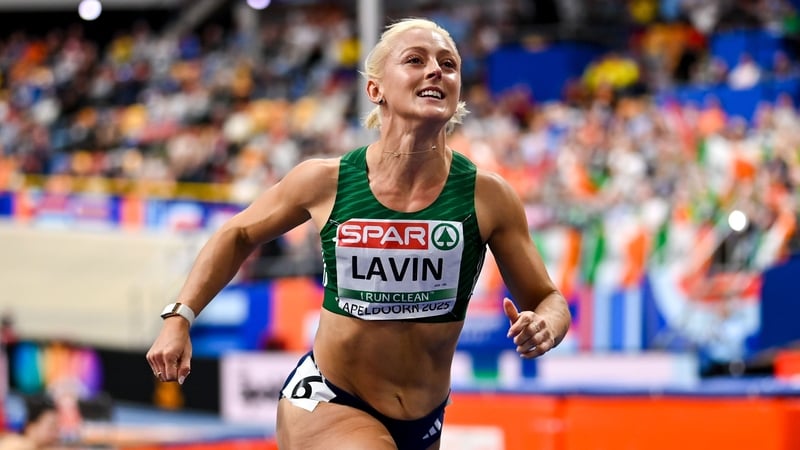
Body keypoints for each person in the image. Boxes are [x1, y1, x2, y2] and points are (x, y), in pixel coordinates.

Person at [146, 17, 571, 450]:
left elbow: (548, 299)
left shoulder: (488, 196)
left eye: (448, 64)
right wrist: (180, 315)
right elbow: (237, 233)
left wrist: (546, 327)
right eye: (415, 60)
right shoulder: (326, 181)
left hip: (423, 420)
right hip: (329, 400)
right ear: (375, 89)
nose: (436, 71)